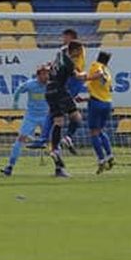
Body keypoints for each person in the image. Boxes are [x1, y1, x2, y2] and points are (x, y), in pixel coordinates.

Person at [1, 65, 52, 176]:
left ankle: (59, 167)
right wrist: (15, 102)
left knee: (54, 141)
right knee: (20, 139)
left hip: (46, 116)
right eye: (44, 74)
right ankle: (10, 166)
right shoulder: (30, 84)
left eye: (48, 73)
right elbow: (19, 90)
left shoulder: (51, 85)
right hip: (31, 116)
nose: (47, 76)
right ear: (38, 75)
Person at [44, 40, 84, 178]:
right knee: (77, 118)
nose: (80, 54)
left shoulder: (59, 54)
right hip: (60, 90)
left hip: (49, 91)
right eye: (79, 51)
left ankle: (56, 154)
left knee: (58, 122)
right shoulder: (68, 62)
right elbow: (78, 76)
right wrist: (93, 75)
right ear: (75, 50)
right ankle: (68, 138)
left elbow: (63, 49)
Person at [78, 51, 116, 173]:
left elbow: (98, 74)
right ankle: (110, 155)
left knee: (93, 132)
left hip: (96, 103)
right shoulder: (108, 72)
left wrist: (86, 77)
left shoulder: (96, 65)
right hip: (107, 103)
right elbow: (102, 90)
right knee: (100, 131)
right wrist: (84, 99)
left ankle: (101, 159)